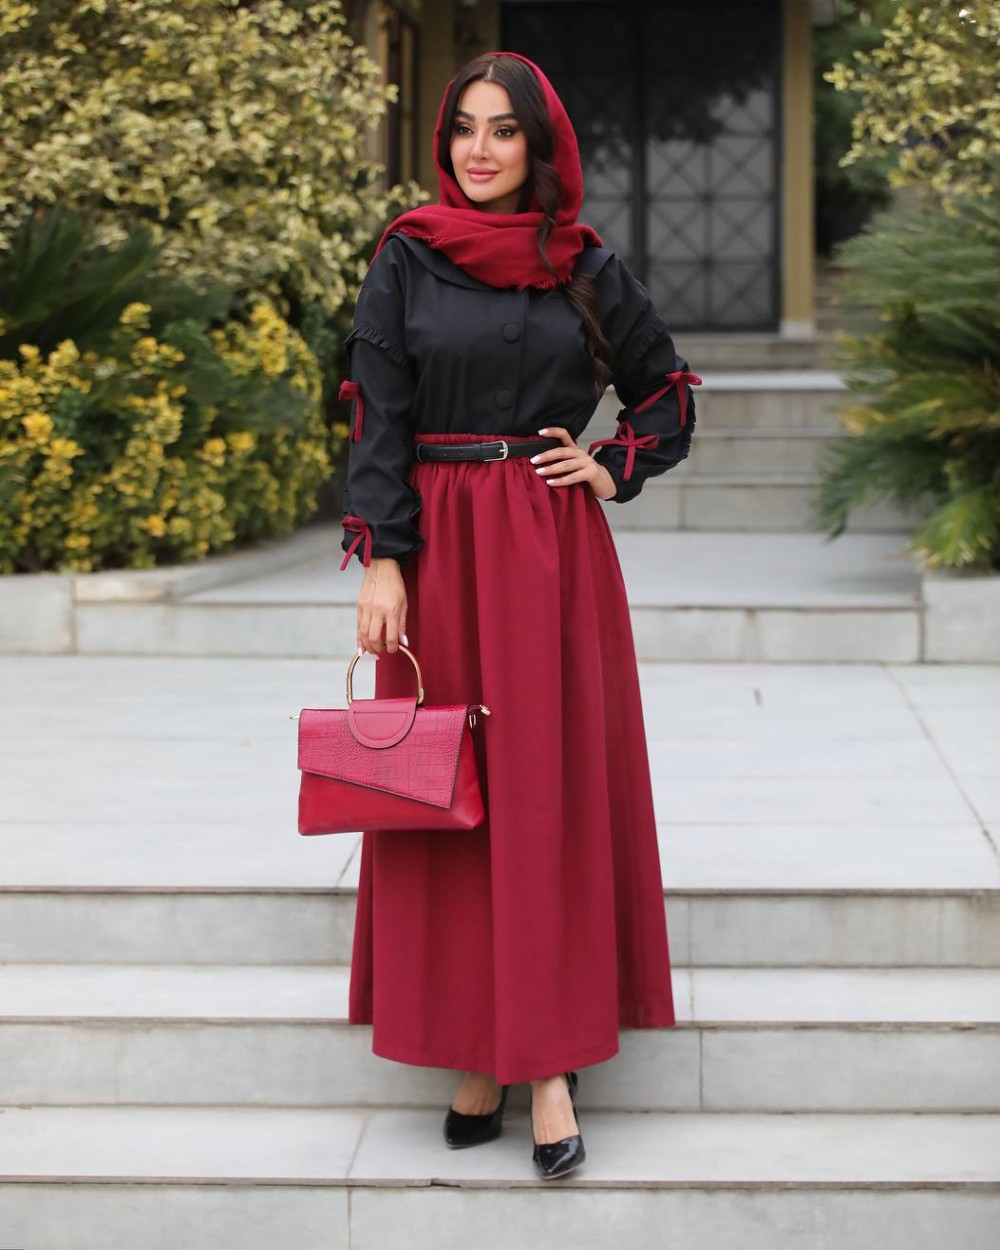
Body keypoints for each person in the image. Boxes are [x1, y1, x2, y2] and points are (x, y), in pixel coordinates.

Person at [337, 51, 700, 1181]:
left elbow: (666, 391)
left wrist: (611, 464)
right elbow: (375, 415)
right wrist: (382, 561)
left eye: (503, 130)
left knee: (544, 797)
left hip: (549, 556)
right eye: (464, 128)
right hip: (439, 558)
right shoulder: (406, 254)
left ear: (540, 146)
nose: (479, 150)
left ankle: (545, 1068)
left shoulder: (582, 264)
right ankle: (471, 1051)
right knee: (447, 799)